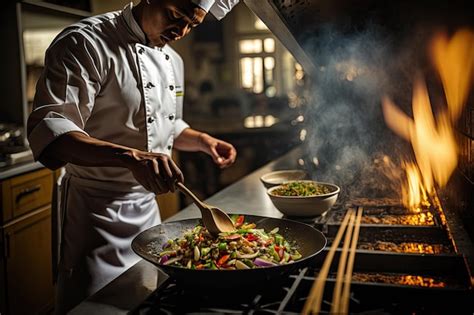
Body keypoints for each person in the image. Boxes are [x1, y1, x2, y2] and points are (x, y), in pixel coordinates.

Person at [27, 0, 239, 313]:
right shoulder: (85, 42)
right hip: (94, 217)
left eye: (192, 25)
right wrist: (129, 157)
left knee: (146, 303)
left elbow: (162, 125)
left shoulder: (173, 60)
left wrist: (201, 140)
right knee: (95, 308)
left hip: (148, 218)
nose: (180, 31)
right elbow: (52, 136)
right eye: (174, 16)